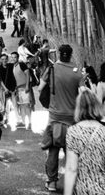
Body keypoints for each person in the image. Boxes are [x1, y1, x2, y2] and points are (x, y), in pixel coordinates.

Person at [38, 44, 83, 193]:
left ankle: (51, 183)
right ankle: (74, 184)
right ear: (70, 55)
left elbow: (40, 88)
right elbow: (84, 93)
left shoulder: (51, 69)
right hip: (72, 118)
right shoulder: (77, 72)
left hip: (54, 117)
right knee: (72, 152)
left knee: (53, 151)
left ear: (58, 54)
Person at [64, 89, 105, 195]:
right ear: (97, 106)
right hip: (104, 188)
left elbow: (71, 169)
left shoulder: (73, 132)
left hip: (82, 188)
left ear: (78, 108)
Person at [11, 51, 32, 129]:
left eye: (15, 57)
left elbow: (27, 74)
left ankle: (30, 123)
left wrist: (27, 86)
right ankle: (23, 122)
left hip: (24, 88)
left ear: (18, 58)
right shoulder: (13, 66)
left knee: (27, 105)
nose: (13, 59)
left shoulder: (21, 64)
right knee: (21, 106)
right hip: (18, 89)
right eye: (12, 57)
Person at [0, 52, 17, 125]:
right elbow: (0, 80)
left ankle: (8, 118)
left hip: (12, 88)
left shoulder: (11, 66)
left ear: (7, 59)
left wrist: (15, 87)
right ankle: (3, 118)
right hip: (3, 89)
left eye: (5, 59)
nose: (4, 61)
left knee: (10, 104)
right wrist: (5, 89)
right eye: (2, 59)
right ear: (0, 60)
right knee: (3, 104)